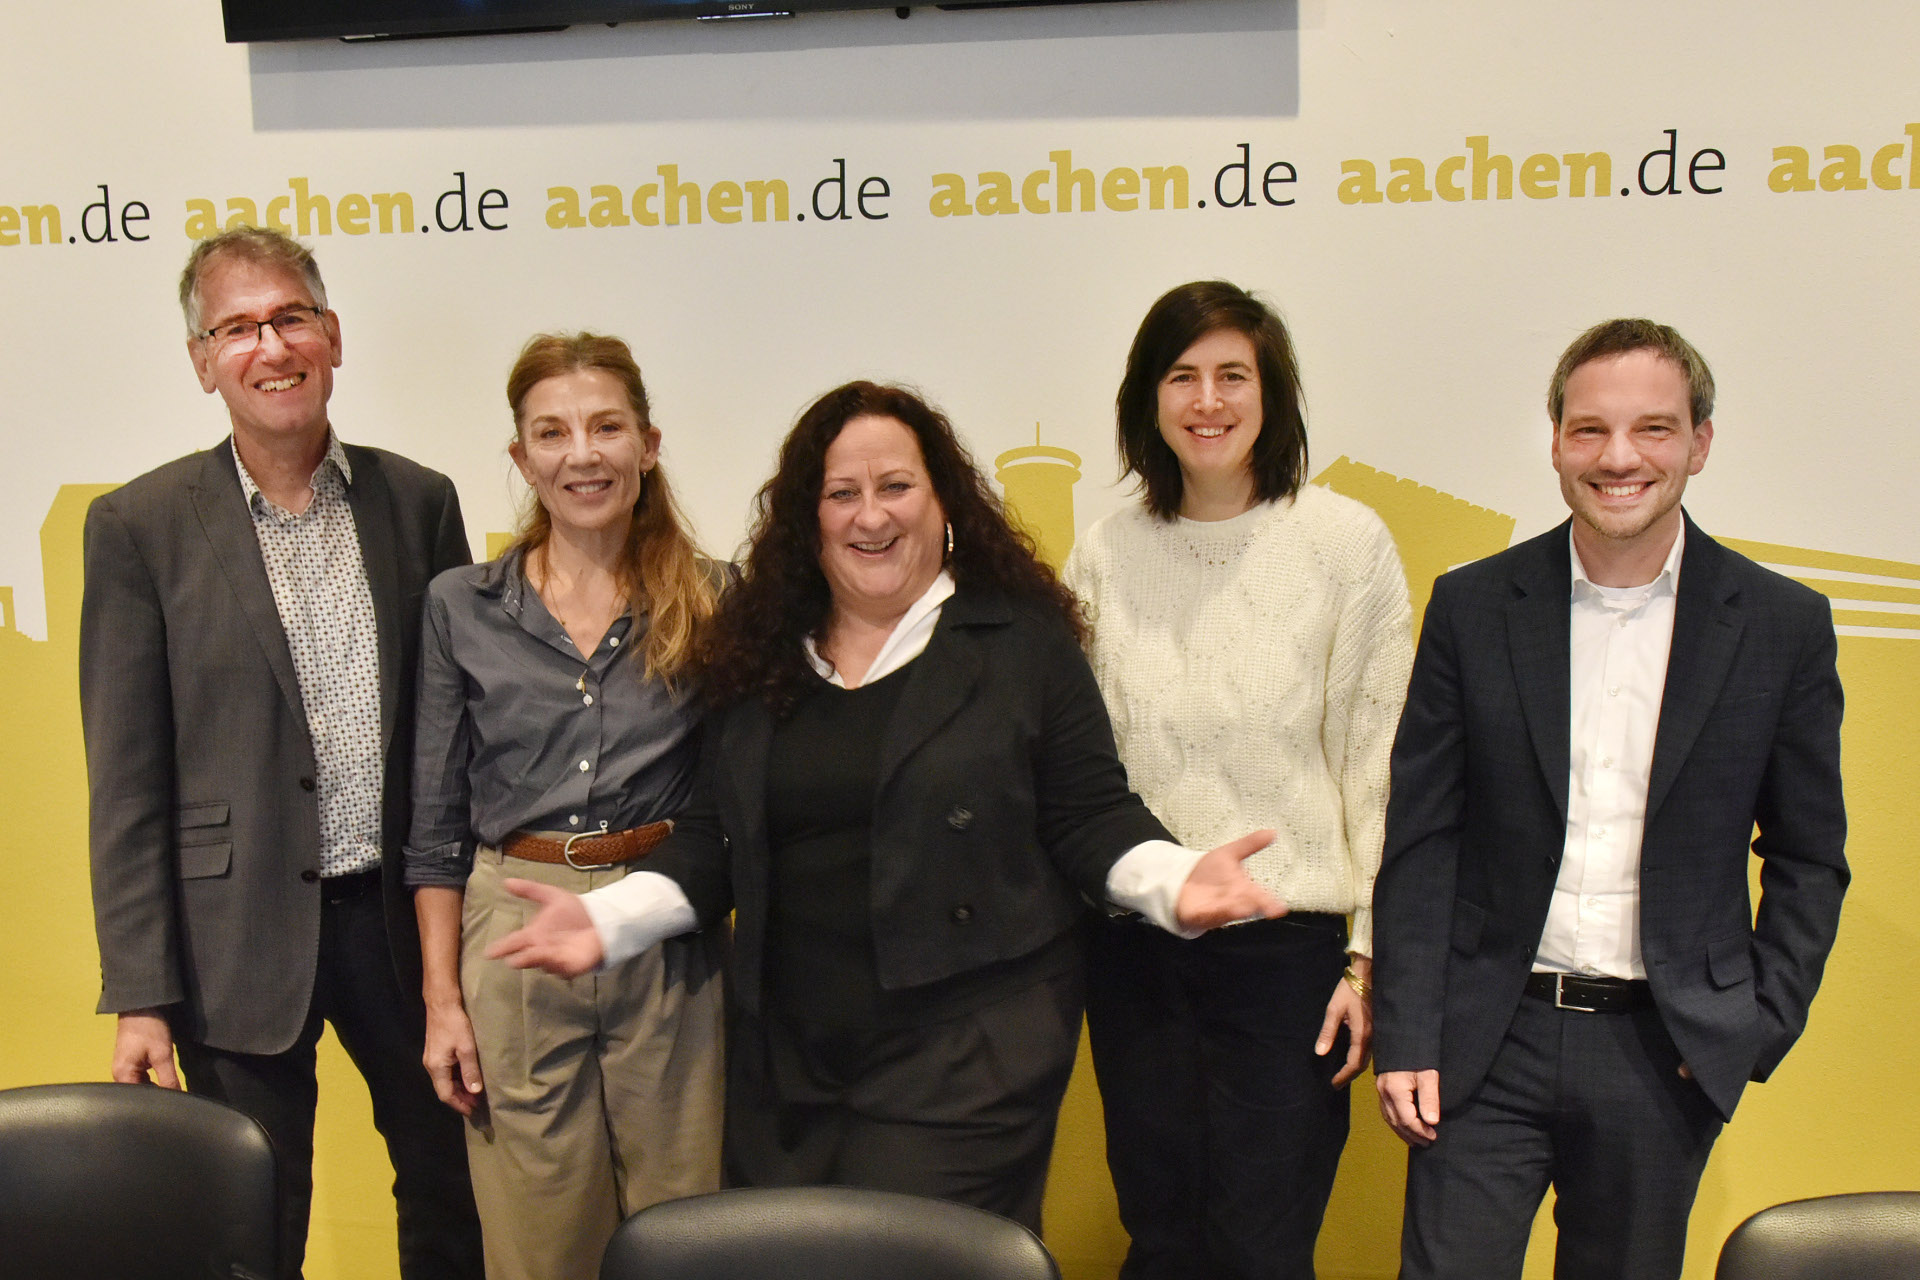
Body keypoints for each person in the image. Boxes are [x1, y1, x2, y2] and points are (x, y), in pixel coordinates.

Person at [488, 379, 1288, 1233]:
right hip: (788, 1060)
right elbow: (719, 836)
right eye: (843, 494)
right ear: (810, 517)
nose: (871, 516)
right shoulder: (760, 654)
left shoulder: (1020, 643)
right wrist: (610, 921)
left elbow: (1088, 813)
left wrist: (1174, 881)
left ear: (944, 500)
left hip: (967, 1051)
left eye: (896, 487)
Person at [1372, 318, 1848, 1280]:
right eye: (1589, 430)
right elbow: (1424, 838)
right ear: (1554, 441)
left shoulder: (1781, 623)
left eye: (1654, 429)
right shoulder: (1473, 605)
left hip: (1662, 1051)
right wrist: (1409, 1029)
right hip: (1482, 1044)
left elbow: (1808, 856)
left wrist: (1750, 1025)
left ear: (1700, 443)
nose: (1618, 457)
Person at [79, 227, 483, 1280]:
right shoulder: (138, 526)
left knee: (455, 1196)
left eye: (291, 316)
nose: (272, 345)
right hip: (234, 939)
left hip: (407, 926)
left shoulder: (421, 500)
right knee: (248, 1223)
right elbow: (127, 784)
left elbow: (461, 735)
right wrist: (141, 989)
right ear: (204, 359)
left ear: (333, 336)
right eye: (239, 326)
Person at [1062, 280, 1414, 1280]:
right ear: (1149, 398)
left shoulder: (1347, 545)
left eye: (1232, 375)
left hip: (1287, 954)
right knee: (1161, 1233)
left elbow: (1376, 766)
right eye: (1182, 375)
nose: (1207, 400)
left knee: (1262, 1245)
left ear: (1273, 395)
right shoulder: (1106, 548)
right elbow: (1079, 768)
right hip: (1138, 946)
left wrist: (1365, 957)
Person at [404, 332, 727, 1279]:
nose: (581, 453)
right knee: (539, 1243)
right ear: (521, 459)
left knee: (685, 1231)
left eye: (605, 427)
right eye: (552, 433)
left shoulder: (713, 598)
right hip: (512, 931)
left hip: (666, 930)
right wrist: (442, 1001)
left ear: (648, 444)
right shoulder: (460, 606)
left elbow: (730, 812)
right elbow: (433, 829)